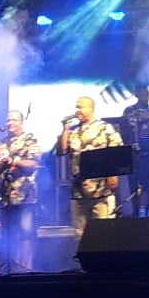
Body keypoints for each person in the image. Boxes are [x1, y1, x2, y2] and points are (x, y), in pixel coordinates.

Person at [55, 95, 124, 237]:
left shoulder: (104, 128)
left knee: (103, 232)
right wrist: (65, 129)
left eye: (81, 107)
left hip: (100, 188)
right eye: (76, 107)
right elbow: (62, 151)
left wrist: (113, 175)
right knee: (80, 233)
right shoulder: (74, 131)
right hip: (79, 190)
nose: (77, 110)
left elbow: (117, 152)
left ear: (91, 109)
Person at [0, 109, 42, 272]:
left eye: (14, 120)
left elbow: (34, 163)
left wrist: (14, 161)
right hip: (5, 196)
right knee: (7, 233)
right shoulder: (0, 144)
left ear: (21, 122)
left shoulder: (30, 140)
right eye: (8, 120)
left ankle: (26, 267)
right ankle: (10, 266)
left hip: (25, 195)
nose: (10, 123)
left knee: (26, 233)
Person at [121, 84, 149, 216]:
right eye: (143, 95)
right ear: (137, 95)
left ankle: (144, 211)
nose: (146, 98)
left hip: (147, 155)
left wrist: (148, 145)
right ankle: (133, 212)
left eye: (147, 95)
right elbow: (122, 130)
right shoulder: (129, 111)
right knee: (132, 184)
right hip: (130, 155)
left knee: (146, 183)